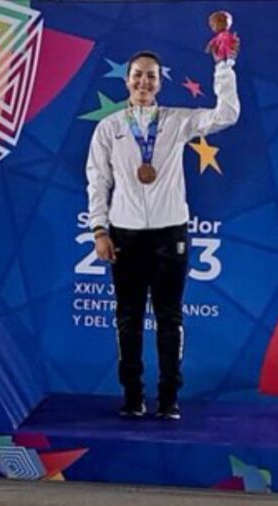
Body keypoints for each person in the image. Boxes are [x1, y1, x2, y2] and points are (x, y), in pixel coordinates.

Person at [85, 46, 240, 419]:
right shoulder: (109, 128)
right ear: (127, 80)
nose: (143, 81)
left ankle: (169, 397)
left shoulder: (176, 121)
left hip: (170, 233)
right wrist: (99, 229)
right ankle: (133, 395)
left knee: (169, 317)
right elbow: (97, 180)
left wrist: (224, 66)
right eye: (137, 74)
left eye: (151, 75)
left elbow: (227, 114)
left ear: (159, 82)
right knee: (128, 317)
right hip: (125, 234)